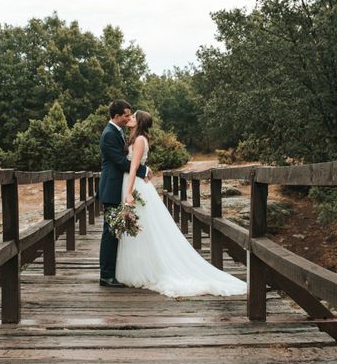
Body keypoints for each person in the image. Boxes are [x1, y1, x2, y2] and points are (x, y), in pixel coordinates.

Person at [115, 110, 247, 297]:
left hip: (134, 185)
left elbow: (134, 167)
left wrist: (128, 193)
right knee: (142, 228)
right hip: (137, 184)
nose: (131, 119)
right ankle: (143, 265)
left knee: (141, 227)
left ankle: (146, 269)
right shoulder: (140, 139)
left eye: (134, 117)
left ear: (140, 122)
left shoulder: (138, 140)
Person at [98, 99, 152, 287]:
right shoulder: (109, 135)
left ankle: (113, 272)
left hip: (118, 187)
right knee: (110, 231)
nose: (129, 117)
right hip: (111, 188)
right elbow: (121, 162)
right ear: (116, 116)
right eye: (126, 115)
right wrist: (143, 170)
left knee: (115, 230)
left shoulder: (118, 132)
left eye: (131, 115)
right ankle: (106, 275)